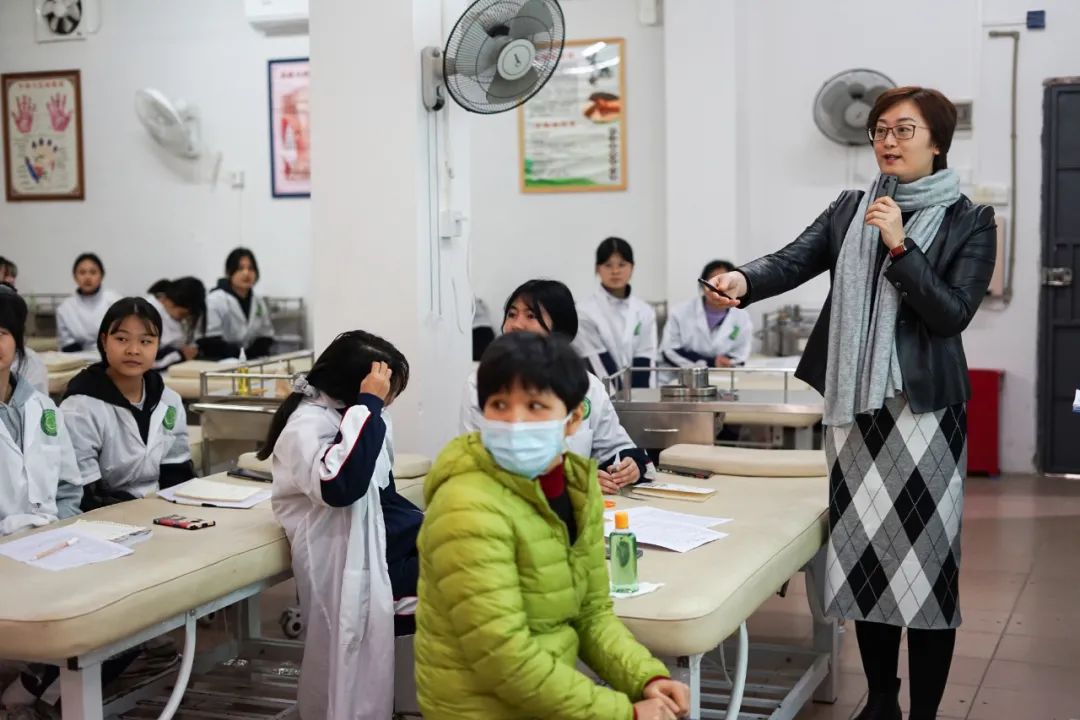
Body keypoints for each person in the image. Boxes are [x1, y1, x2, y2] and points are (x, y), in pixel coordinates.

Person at [706, 87, 996, 720]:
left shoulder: (970, 220)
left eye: (904, 129)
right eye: (880, 130)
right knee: (868, 563)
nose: (888, 141)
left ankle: (924, 713)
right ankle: (882, 701)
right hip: (857, 415)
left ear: (938, 142)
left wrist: (900, 247)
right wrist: (744, 279)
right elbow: (794, 259)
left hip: (924, 417)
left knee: (925, 572)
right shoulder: (848, 209)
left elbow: (951, 314)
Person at [417, 332, 690, 720]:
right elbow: (503, 656)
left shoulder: (578, 488)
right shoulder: (465, 505)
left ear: (573, 418)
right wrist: (622, 712)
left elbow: (591, 614)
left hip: (546, 699)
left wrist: (645, 677)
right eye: (499, 405)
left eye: (534, 406)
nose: (514, 422)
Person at [261, 330, 421, 720]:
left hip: (381, 543)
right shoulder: (308, 425)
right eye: (386, 390)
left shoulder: (360, 415)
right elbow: (340, 487)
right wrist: (369, 405)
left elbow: (384, 494)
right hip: (345, 556)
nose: (389, 399)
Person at [461, 280, 652, 494]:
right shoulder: (482, 383)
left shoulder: (587, 386)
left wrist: (629, 467)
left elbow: (614, 447)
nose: (515, 325)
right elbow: (482, 466)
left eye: (531, 316)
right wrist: (574, 482)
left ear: (559, 330)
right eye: (512, 314)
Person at [60, 298, 195, 510]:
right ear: (104, 341)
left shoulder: (169, 400)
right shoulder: (80, 407)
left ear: (158, 344)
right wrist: (143, 512)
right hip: (104, 515)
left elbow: (177, 472)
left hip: (161, 510)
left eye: (145, 341)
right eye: (122, 339)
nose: (134, 350)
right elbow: (87, 494)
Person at [574, 237, 658, 389]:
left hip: (637, 394)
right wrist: (617, 398)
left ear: (632, 267)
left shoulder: (645, 311)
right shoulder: (583, 312)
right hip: (600, 391)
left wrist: (639, 398)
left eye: (622, 264)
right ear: (597, 269)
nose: (615, 271)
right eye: (608, 265)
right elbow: (596, 361)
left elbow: (645, 355)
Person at [659, 259, 753, 382]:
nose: (719, 288)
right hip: (679, 378)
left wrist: (727, 361)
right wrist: (711, 362)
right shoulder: (680, 312)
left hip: (723, 378)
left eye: (725, 282)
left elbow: (741, 354)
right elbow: (669, 350)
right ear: (704, 285)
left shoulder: (741, 317)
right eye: (715, 281)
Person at [198, 247, 274, 360]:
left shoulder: (258, 301)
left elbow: (266, 334)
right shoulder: (215, 300)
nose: (246, 273)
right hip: (221, 361)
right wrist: (240, 354)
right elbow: (211, 341)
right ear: (229, 272)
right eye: (240, 268)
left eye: (251, 268)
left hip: (251, 360)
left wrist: (253, 353)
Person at [56, 253, 123, 353]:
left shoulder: (115, 301)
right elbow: (66, 344)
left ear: (102, 276)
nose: (87, 277)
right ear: (75, 277)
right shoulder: (65, 309)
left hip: (113, 355)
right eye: (82, 272)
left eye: (93, 272)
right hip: (78, 358)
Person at [146, 277, 206, 370]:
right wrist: (179, 354)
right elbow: (147, 361)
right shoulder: (147, 313)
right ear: (168, 301)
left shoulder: (173, 315)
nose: (183, 319)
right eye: (182, 314)